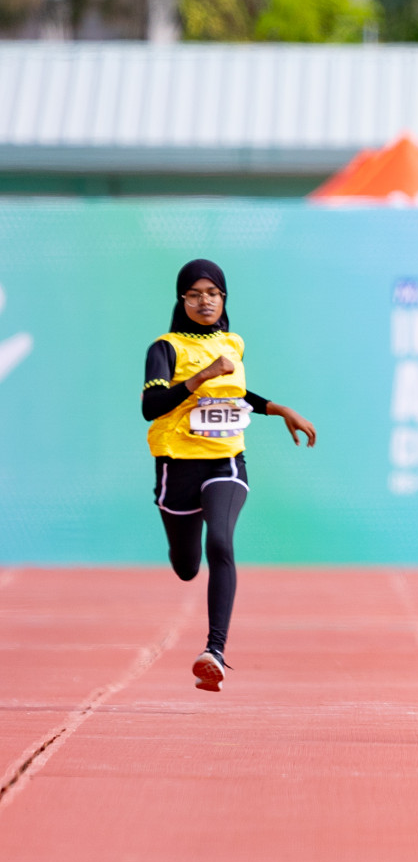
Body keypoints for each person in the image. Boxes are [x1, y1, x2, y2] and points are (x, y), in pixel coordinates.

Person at [142, 260, 316, 692]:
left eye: (214, 293)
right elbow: (151, 407)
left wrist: (279, 409)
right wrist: (201, 375)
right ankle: (182, 550)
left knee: (220, 542)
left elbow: (236, 394)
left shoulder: (232, 343)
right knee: (187, 566)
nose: (205, 301)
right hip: (177, 464)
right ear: (182, 300)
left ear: (224, 299)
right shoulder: (164, 348)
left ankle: (213, 652)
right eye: (196, 294)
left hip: (225, 460)